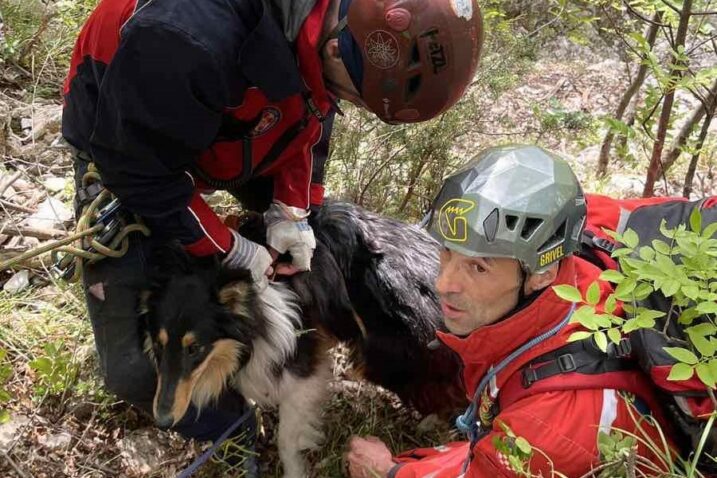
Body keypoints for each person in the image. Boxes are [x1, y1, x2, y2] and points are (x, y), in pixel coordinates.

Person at [60, 0, 484, 469]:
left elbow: (311, 115)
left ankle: (291, 336)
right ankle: (234, 426)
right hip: (129, 144)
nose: (346, 103)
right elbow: (136, 169)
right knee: (133, 371)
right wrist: (228, 247)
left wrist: (292, 211)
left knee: (310, 238)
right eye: (352, 93)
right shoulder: (185, 35)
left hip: (237, 121)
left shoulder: (326, 32)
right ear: (339, 47)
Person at [345, 145, 670, 478]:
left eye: (478, 268)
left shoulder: (545, 428)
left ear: (541, 273)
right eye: (447, 251)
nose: (443, 283)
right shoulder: (583, 229)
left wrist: (387, 472)